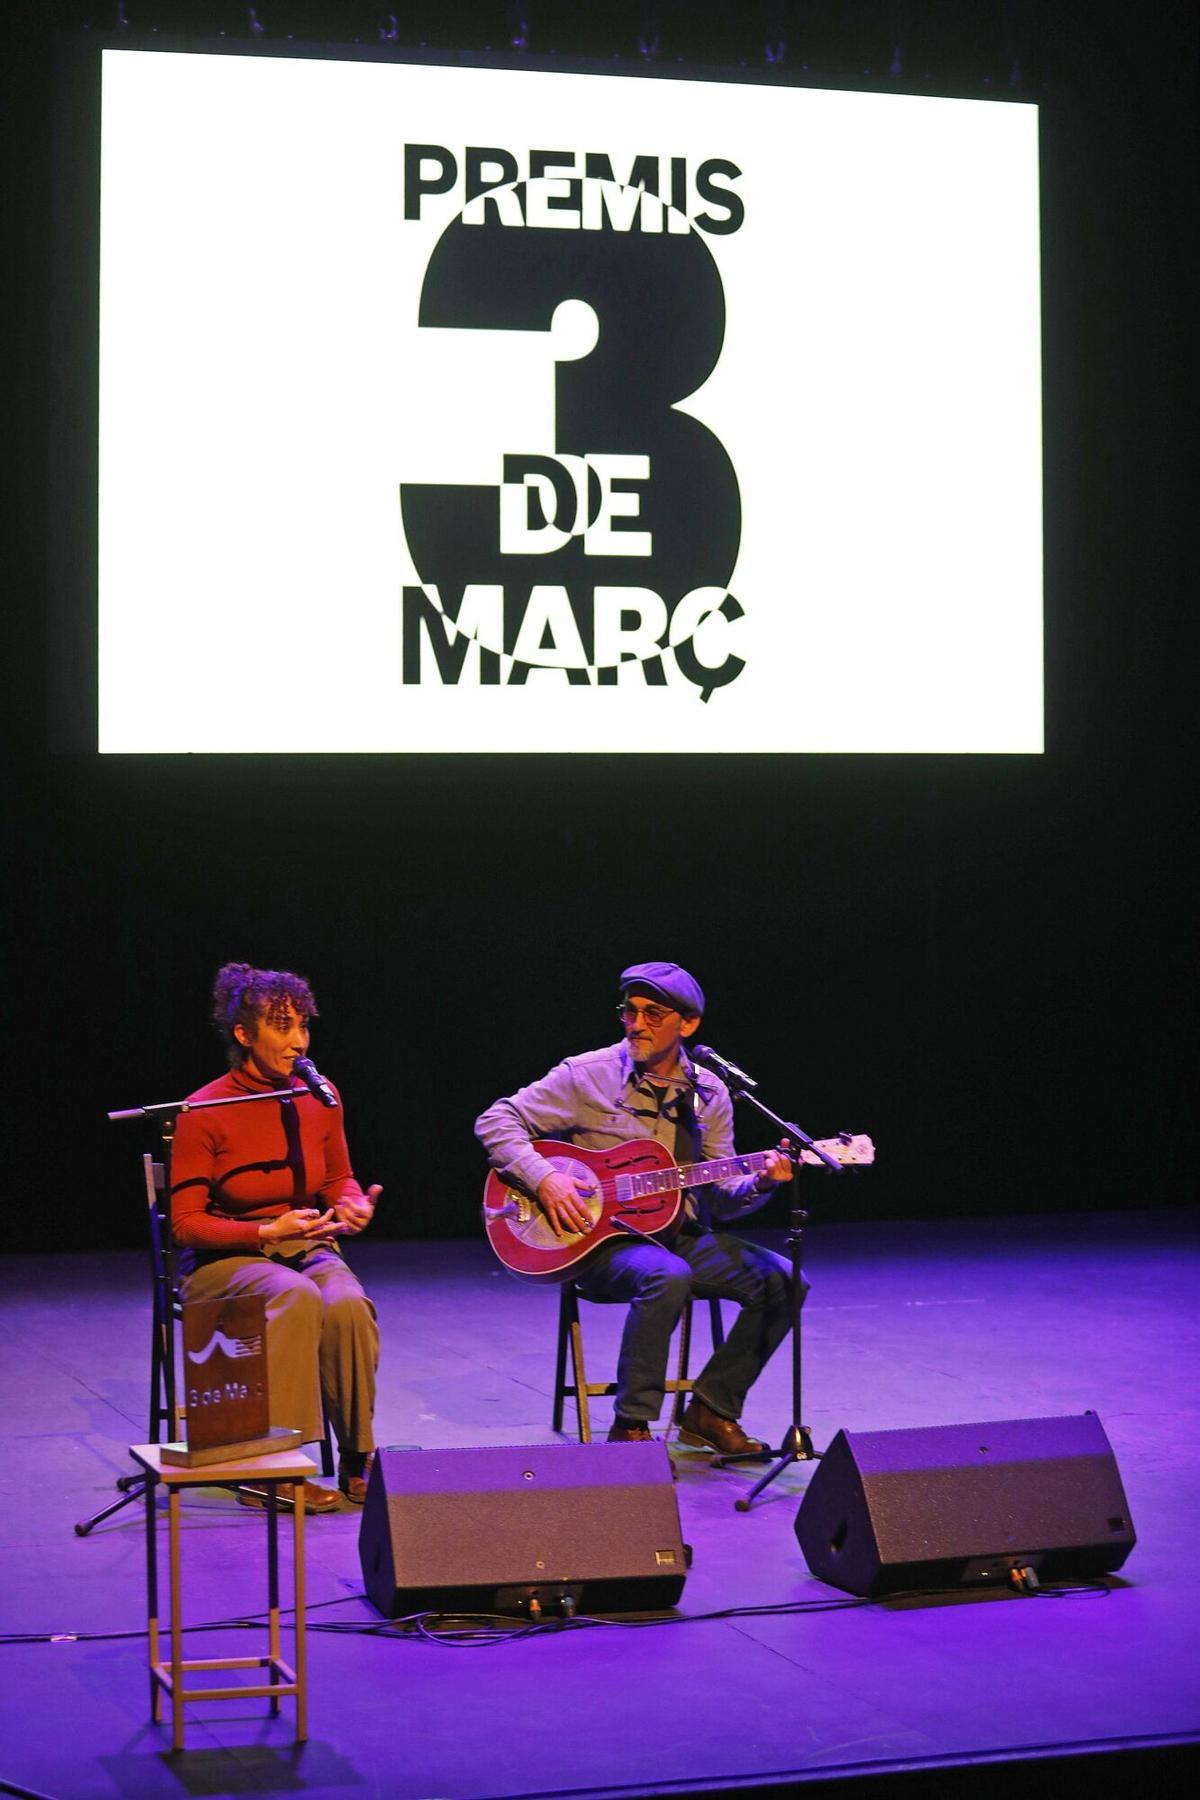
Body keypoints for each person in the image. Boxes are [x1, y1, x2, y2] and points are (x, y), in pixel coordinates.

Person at [475, 961, 802, 1453]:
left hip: (678, 1233)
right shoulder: (586, 1075)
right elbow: (496, 1120)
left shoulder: (709, 1095)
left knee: (783, 1280)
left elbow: (720, 1197)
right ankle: (631, 1428)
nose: (636, 1024)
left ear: (687, 1025)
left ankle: (711, 1411)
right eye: (629, 1011)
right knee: (665, 1275)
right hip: (597, 1243)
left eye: (653, 1014)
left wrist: (759, 1182)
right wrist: (545, 1180)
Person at [170, 962, 381, 1511]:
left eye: (302, 1027)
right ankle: (274, 1466)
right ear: (244, 1035)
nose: (298, 1041)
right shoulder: (205, 1109)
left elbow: (336, 1177)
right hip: (223, 1259)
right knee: (296, 1295)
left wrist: (350, 1203)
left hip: (301, 1247)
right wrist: (266, 1229)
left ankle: (359, 1455)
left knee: (347, 1303)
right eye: (282, 1027)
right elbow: (186, 1222)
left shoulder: (319, 1094)